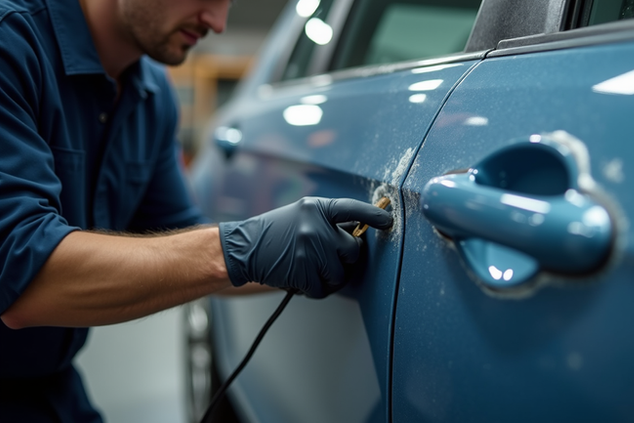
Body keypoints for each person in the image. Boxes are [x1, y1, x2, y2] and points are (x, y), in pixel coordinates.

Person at [0, 0, 393, 421]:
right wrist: (240, 249)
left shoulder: (151, 93)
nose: (218, 23)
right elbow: (24, 278)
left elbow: (182, 237)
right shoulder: (11, 42)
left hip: (46, 387)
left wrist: (296, 252)